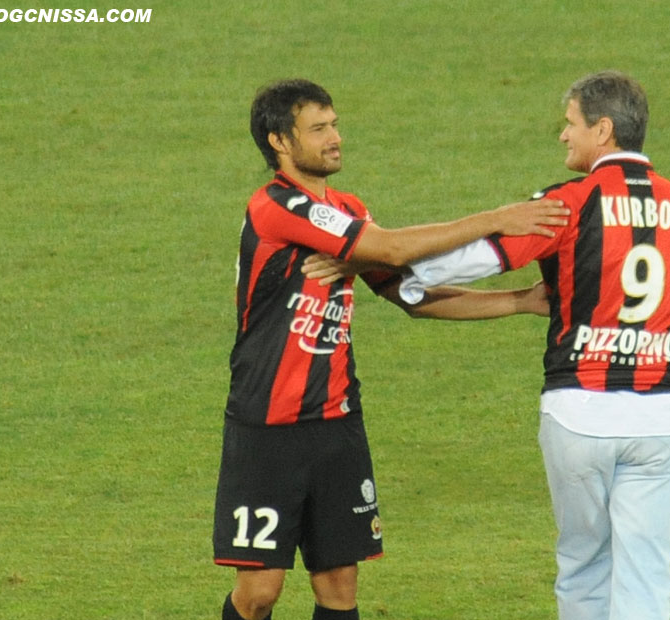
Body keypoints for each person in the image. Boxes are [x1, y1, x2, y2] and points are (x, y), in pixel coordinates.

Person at [309, 70, 670, 620]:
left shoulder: (568, 203)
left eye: (571, 123)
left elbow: (486, 255)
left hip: (578, 411)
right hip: (662, 418)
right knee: (648, 573)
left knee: (583, 563)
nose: (564, 135)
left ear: (602, 130)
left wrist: (397, 269)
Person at [212, 78, 568, 620]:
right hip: (267, 424)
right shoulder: (275, 206)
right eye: (318, 129)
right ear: (280, 142)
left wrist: (520, 300)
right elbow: (392, 247)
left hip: (336, 423)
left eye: (334, 124)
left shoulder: (347, 209)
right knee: (260, 594)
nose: (335, 138)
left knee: (339, 589)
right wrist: (498, 219)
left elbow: (410, 294)